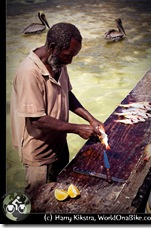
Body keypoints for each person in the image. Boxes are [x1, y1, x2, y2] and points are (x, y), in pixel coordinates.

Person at [10, 22, 104, 198]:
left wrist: (91, 120)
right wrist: (77, 129)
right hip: (39, 153)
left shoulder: (58, 63)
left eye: (74, 56)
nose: (70, 61)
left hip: (59, 144)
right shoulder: (29, 73)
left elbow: (67, 94)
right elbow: (37, 120)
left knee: (61, 192)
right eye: (68, 56)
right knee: (38, 200)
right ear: (53, 47)